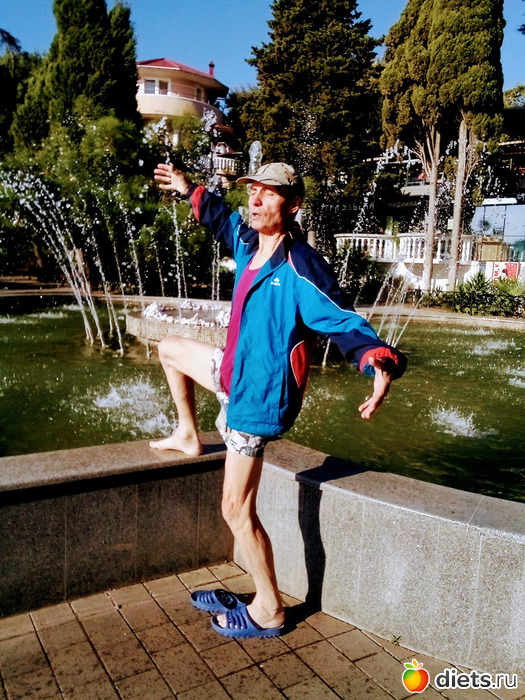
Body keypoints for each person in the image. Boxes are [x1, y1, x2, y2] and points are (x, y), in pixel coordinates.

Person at [150, 161, 407, 639]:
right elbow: (222, 219)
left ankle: (268, 607)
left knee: (235, 509)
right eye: (253, 190)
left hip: (260, 398)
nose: (255, 199)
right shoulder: (248, 242)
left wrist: (376, 358)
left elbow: (342, 318)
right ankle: (188, 434)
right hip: (233, 374)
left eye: (268, 194)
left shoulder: (300, 265)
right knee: (169, 349)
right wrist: (190, 189)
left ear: (292, 205)